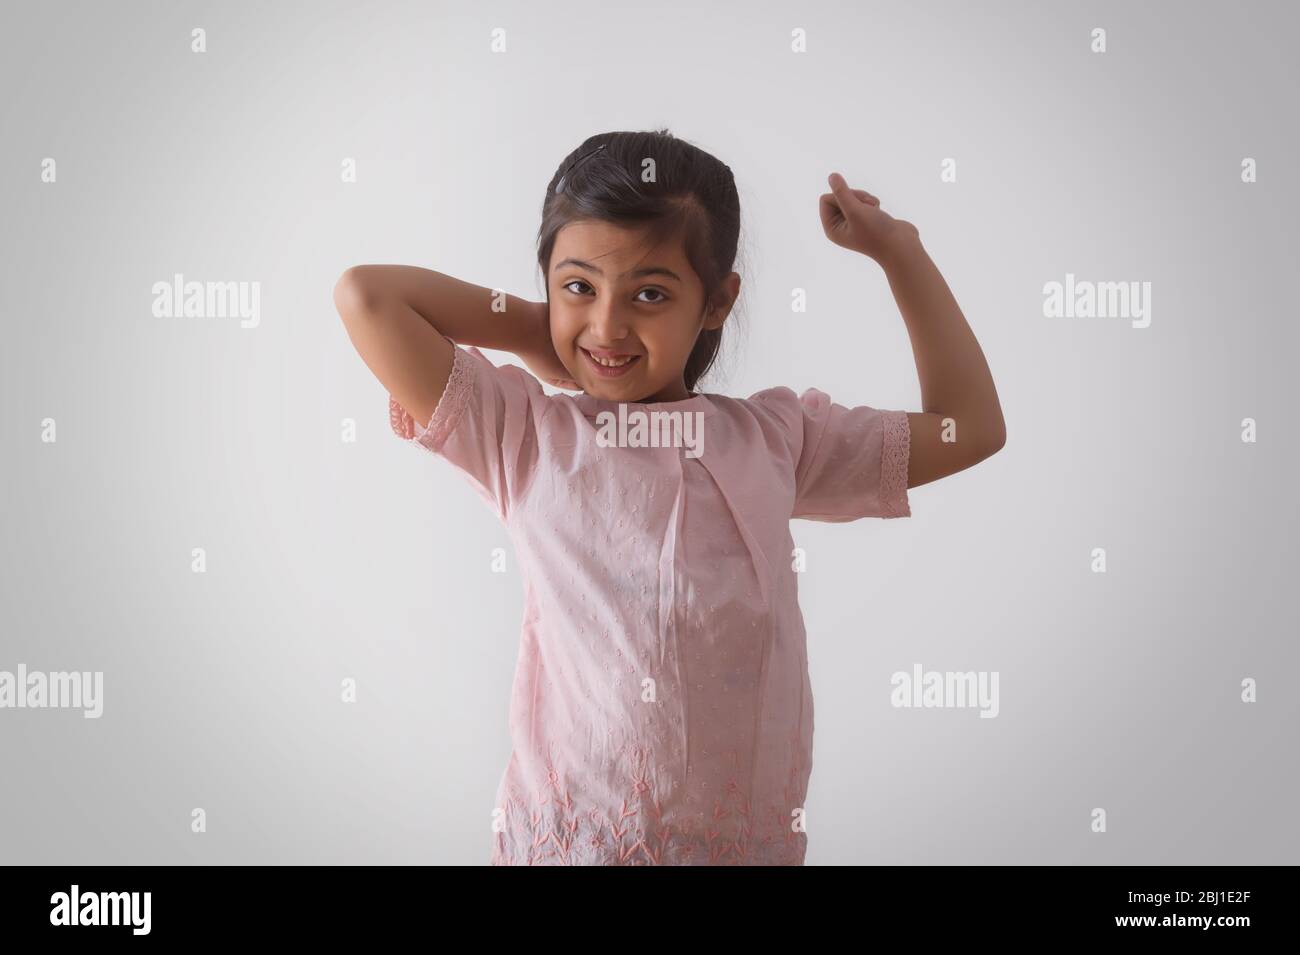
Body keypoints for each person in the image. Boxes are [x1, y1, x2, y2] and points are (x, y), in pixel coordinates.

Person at [335, 129, 1006, 865]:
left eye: (650, 293)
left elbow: (970, 428)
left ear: (717, 301)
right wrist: (545, 334)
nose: (610, 325)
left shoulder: (777, 440)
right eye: (579, 286)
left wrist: (900, 252)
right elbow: (368, 296)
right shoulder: (524, 434)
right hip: (569, 847)